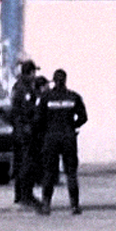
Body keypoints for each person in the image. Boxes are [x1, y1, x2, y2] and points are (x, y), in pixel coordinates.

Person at [36, 69, 88, 215]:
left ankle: (46, 205)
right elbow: (83, 117)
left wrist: (44, 131)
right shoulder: (73, 97)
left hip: (51, 137)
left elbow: (38, 119)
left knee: (49, 172)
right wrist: (73, 126)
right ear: (65, 80)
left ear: (54, 80)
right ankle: (74, 205)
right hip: (68, 137)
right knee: (71, 172)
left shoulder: (46, 97)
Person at [10, 60, 41, 207]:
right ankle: (26, 195)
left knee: (20, 163)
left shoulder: (18, 86)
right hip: (25, 132)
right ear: (30, 73)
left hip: (19, 131)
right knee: (27, 164)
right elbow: (27, 110)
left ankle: (20, 194)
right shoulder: (25, 89)